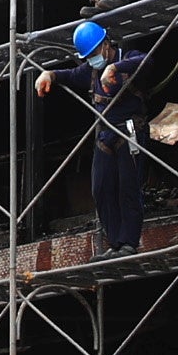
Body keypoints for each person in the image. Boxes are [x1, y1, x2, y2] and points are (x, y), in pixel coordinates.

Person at [34, 20, 152, 253]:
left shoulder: (127, 58)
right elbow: (69, 74)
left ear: (107, 44)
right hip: (105, 137)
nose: (93, 60)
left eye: (96, 53)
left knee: (129, 188)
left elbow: (147, 60)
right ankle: (116, 243)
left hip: (129, 131)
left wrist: (115, 69)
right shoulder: (91, 71)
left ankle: (129, 242)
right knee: (102, 188)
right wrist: (49, 74)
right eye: (88, 56)